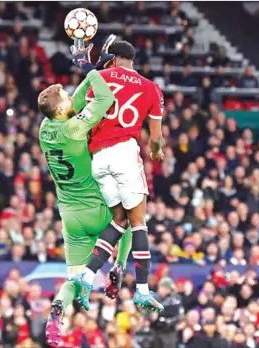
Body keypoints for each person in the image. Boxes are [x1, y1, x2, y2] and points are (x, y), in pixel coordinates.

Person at [38, 44, 132, 347]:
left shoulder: (46, 127)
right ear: (63, 109)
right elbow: (105, 98)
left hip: (70, 217)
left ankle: (57, 311)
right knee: (129, 218)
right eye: (65, 97)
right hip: (94, 207)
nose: (70, 97)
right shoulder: (75, 129)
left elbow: (76, 100)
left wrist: (97, 68)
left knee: (74, 281)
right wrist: (91, 69)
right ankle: (119, 264)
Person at [72, 36, 165, 312]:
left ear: (112, 59)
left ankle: (87, 275)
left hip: (98, 158)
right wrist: (157, 152)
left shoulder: (100, 77)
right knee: (138, 223)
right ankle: (142, 290)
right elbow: (156, 138)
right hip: (125, 153)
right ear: (132, 60)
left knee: (118, 222)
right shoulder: (151, 88)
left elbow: (84, 113)